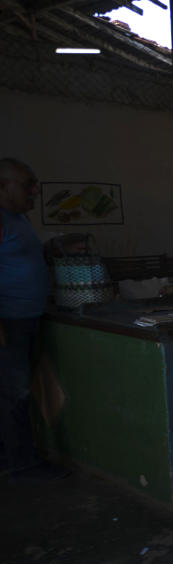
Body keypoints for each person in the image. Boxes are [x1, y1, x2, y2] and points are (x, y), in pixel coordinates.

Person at [0, 158, 49, 473]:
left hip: (27, 319)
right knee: (13, 395)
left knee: (20, 392)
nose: (36, 190)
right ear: (3, 186)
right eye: (27, 184)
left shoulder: (20, 219)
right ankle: (21, 465)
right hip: (9, 323)